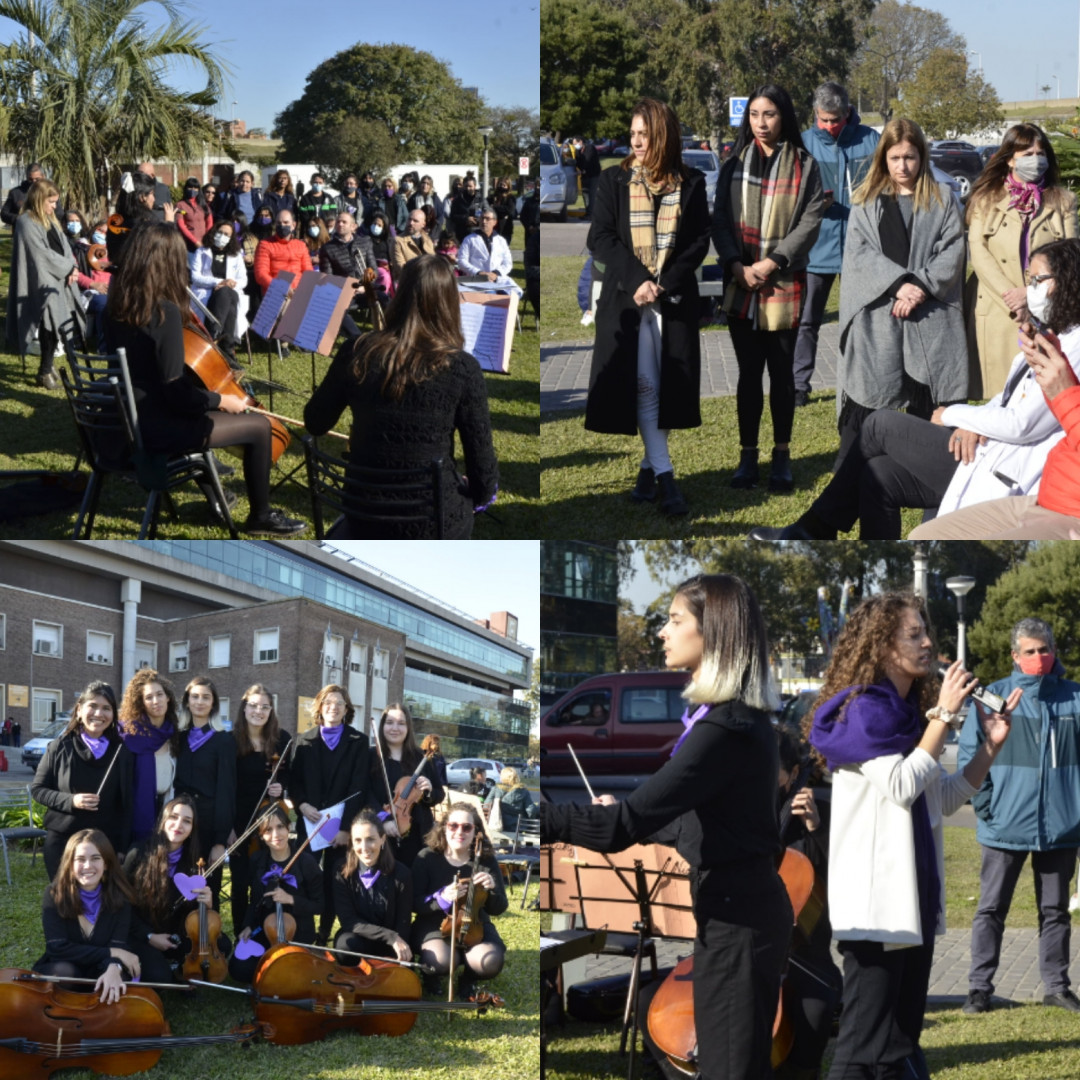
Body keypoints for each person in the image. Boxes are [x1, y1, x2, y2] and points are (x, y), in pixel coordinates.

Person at [542, 574, 793, 1079]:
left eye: (676, 620)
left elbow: (623, 828)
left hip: (739, 924)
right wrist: (626, 813)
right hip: (733, 916)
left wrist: (543, 819)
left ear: (714, 633)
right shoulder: (737, 720)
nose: (662, 632)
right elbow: (692, 824)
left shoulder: (724, 729)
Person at [808, 593, 1018, 1077]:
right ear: (881, 647)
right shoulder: (864, 712)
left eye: (926, 631)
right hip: (876, 908)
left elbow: (940, 800)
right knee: (862, 1044)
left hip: (912, 904)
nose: (927, 642)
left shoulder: (905, 714)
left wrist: (989, 746)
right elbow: (902, 786)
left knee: (898, 1041)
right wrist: (943, 717)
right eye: (913, 634)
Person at [749, 238, 1080, 540]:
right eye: (1030, 278)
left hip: (1004, 467)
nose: (1029, 288)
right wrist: (970, 423)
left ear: (1067, 284)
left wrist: (951, 413)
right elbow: (1005, 400)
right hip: (983, 446)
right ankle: (875, 559)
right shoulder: (1053, 333)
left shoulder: (1074, 348)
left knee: (880, 424)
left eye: (1038, 280)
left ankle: (815, 528)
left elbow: (1021, 424)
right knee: (878, 476)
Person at [104, 222, 306, 535]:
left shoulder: (116, 304)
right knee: (259, 427)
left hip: (128, 422)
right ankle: (261, 516)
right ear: (170, 262)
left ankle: (217, 498)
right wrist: (221, 400)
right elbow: (177, 394)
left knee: (207, 411)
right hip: (157, 429)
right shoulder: (164, 312)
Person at [304, 254, 499, 539]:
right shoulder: (462, 368)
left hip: (362, 512)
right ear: (449, 302)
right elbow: (484, 479)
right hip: (432, 520)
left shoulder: (357, 350)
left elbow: (315, 421)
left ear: (400, 294)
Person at [586, 97, 711, 516]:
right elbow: (601, 238)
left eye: (645, 134)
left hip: (672, 303)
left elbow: (697, 242)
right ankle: (667, 478)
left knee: (668, 390)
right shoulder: (612, 182)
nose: (637, 142)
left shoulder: (692, 181)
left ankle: (646, 472)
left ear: (663, 136)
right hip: (626, 303)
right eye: (633, 133)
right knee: (644, 388)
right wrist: (637, 280)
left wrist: (663, 283)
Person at [956, 618, 1080, 1014]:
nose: (1039, 657)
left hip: (1061, 828)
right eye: (1030, 651)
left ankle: (1057, 986)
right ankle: (979, 988)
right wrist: (986, 807)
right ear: (1015, 656)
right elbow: (969, 755)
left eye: (1045, 650)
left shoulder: (1075, 699)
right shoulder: (993, 697)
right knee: (991, 909)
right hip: (1002, 826)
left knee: (1055, 911)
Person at [833, 117, 967, 471]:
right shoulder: (867, 201)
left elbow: (952, 250)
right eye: (894, 158)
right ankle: (853, 470)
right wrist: (897, 285)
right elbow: (859, 254)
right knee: (867, 394)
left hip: (929, 317)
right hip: (879, 315)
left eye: (909, 157)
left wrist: (920, 287)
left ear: (921, 157)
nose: (902, 166)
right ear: (883, 159)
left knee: (929, 396)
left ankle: (929, 471)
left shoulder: (942, 199)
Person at [713, 84, 825, 492]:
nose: (762, 123)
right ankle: (747, 457)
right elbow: (720, 221)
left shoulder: (806, 165)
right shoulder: (733, 164)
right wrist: (736, 265)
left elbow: (810, 222)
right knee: (747, 376)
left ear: (785, 118)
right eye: (755, 115)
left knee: (781, 375)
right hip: (741, 284)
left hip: (783, 284)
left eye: (770, 115)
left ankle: (781, 456)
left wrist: (771, 262)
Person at [909, 319, 1080, 538]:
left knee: (881, 427)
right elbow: (1014, 401)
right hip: (1046, 497)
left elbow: (1025, 423)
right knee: (921, 533)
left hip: (1069, 513)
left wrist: (1063, 391)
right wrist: (1049, 366)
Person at [966, 123, 1078, 399]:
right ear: (1010, 158)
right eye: (1027, 153)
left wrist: (1030, 295)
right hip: (998, 309)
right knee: (997, 395)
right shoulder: (985, 199)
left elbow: (1070, 259)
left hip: (1046, 310)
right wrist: (1012, 296)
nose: (1035, 160)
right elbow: (979, 252)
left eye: (1040, 153)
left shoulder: (1063, 201)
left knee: (1039, 397)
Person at [793, 82, 881, 407]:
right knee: (807, 322)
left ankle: (862, 384)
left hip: (861, 251)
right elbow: (789, 199)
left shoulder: (872, 142)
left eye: (835, 120)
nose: (829, 127)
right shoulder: (801, 144)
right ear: (815, 113)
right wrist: (816, 204)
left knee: (862, 322)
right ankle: (799, 386)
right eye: (823, 120)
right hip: (815, 251)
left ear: (847, 112)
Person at [774, 726, 841, 1080]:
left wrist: (815, 827)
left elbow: (844, 875)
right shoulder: (746, 811)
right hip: (749, 956)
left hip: (808, 957)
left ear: (794, 773)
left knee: (814, 1009)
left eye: (772, 770)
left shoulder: (820, 811)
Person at [287, 684, 371, 945]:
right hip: (309, 822)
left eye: (339, 703)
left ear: (347, 709)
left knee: (335, 878)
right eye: (328, 702)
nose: (333, 707)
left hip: (341, 827)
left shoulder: (358, 742)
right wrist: (301, 805)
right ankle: (305, 932)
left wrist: (346, 828)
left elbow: (359, 788)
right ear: (319, 707)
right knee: (307, 877)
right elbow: (294, 781)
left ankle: (324, 934)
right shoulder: (302, 740)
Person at [32, 681, 134, 881]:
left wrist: (122, 846)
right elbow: (38, 789)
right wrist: (71, 801)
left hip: (105, 843)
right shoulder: (59, 747)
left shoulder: (122, 752)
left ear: (113, 715)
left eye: (106, 708)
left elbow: (126, 804)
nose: (99, 713)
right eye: (93, 706)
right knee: (66, 904)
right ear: (79, 710)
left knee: (101, 904)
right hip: (62, 842)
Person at [124, 794, 229, 984]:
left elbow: (196, 918)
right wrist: (148, 936)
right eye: (174, 817)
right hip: (143, 933)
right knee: (159, 977)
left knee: (222, 945)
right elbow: (120, 904)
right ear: (163, 820)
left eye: (186, 821)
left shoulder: (196, 861)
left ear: (192, 828)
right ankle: (168, 966)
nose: (179, 825)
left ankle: (177, 963)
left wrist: (207, 905)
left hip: (176, 934)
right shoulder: (138, 852)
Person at [34, 830, 140, 1003]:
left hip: (101, 967)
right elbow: (58, 949)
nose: (88, 866)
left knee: (118, 981)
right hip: (65, 967)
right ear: (70, 863)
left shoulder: (121, 897)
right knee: (65, 974)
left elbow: (118, 944)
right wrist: (113, 952)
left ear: (106, 863)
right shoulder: (54, 894)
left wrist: (115, 967)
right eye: (80, 859)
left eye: (96, 858)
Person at [412, 803, 506, 993]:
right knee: (441, 961)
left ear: (476, 832)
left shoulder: (485, 861)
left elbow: (498, 908)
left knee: (490, 961)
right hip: (434, 923)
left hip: (475, 924)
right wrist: (442, 899)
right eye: (453, 825)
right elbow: (414, 903)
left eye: (467, 827)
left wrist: (493, 887)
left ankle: (468, 979)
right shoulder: (427, 857)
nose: (459, 831)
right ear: (444, 827)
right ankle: (432, 978)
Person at [228, 805, 322, 983]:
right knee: (239, 969)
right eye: (268, 830)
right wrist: (248, 925)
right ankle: (268, 968)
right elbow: (254, 900)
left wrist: (290, 899)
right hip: (265, 928)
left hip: (298, 932)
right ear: (261, 836)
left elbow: (319, 905)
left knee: (296, 977)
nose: (275, 835)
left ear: (288, 827)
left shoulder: (305, 862)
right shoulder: (257, 860)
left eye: (280, 827)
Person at [5, 179, 85, 388]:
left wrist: (72, 267)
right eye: (51, 202)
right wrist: (68, 267)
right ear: (39, 200)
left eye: (56, 202)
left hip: (58, 279)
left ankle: (47, 368)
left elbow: (64, 246)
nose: (55, 207)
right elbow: (40, 255)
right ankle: (44, 371)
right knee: (48, 325)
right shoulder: (26, 222)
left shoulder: (50, 219)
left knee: (57, 325)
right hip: (40, 281)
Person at [227, 684, 291, 939]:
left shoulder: (281, 740)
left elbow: (288, 775)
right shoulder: (230, 741)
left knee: (267, 881)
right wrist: (228, 827)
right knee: (241, 884)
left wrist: (280, 786)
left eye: (265, 706)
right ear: (244, 708)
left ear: (271, 710)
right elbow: (227, 787)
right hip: (239, 821)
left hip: (269, 821)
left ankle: (266, 934)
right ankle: (240, 936)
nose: (259, 711)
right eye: (253, 705)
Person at [174, 677, 236, 899]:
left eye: (206, 697)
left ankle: (207, 932)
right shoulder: (177, 738)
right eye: (195, 696)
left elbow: (226, 790)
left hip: (209, 824)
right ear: (187, 702)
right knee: (178, 885)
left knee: (207, 888)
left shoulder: (224, 741)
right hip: (179, 823)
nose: (200, 702)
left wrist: (220, 841)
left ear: (214, 704)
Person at [332, 811, 413, 964]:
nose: (364, 847)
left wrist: (398, 944)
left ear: (382, 839)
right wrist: (389, 935)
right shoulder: (340, 870)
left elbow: (403, 920)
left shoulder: (402, 873)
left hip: (391, 942)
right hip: (359, 938)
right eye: (358, 840)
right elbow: (349, 921)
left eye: (370, 839)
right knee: (345, 946)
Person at [369, 704, 443, 868]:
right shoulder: (371, 756)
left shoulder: (421, 757)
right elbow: (366, 794)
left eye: (401, 723)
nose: (395, 728)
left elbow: (439, 794)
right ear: (382, 726)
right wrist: (385, 819)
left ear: (408, 727)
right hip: (380, 830)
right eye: (390, 722)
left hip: (418, 832)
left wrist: (429, 791)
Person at [117, 669, 181, 845]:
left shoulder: (174, 733)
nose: (156, 701)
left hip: (168, 814)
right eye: (149, 697)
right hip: (135, 817)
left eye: (160, 694)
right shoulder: (128, 734)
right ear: (141, 703)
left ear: (168, 697)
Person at [189, 220, 248, 363]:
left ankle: (214, 335)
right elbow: (195, 277)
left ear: (231, 238)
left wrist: (230, 284)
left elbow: (243, 280)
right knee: (227, 295)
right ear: (213, 232)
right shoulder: (202, 251)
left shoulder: (236, 255)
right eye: (220, 232)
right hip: (206, 293)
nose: (222, 236)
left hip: (229, 294)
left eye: (227, 234)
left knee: (227, 292)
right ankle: (227, 350)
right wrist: (218, 282)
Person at [320, 211, 381, 338]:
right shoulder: (327, 248)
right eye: (338, 222)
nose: (340, 224)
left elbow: (373, 269)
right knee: (336, 309)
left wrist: (363, 286)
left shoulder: (364, 242)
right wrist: (349, 288)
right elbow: (329, 279)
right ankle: (357, 339)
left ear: (353, 226)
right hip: (343, 292)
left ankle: (389, 334)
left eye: (344, 222)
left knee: (386, 300)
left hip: (365, 288)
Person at [457, 209, 520, 295]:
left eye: (487, 219)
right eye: (482, 218)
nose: (484, 221)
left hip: (499, 279)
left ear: (495, 222)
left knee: (515, 294)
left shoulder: (501, 240)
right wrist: (478, 272)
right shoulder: (469, 239)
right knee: (491, 294)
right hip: (476, 280)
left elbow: (508, 263)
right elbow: (461, 260)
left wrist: (496, 273)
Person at [253, 208, 313, 296]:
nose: (282, 225)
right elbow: (261, 274)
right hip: (276, 293)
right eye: (279, 223)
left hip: (299, 292)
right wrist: (279, 287)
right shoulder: (265, 245)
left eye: (286, 223)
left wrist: (303, 289)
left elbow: (308, 271)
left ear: (293, 225)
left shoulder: (301, 245)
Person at [483, 767, 536, 834]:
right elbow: (531, 810)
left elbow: (486, 807)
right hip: (519, 827)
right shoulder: (523, 791)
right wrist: (530, 824)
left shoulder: (496, 789)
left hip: (498, 825)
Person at [392, 208, 438, 281]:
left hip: (429, 280)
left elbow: (433, 261)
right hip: (408, 282)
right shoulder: (398, 241)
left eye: (415, 221)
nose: (411, 223)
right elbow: (400, 266)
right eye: (409, 219)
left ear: (423, 224)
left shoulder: (427, 240)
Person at [175, 177, 214, 253]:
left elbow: (209, 223)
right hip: (188, 244)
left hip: (204, 243)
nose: (193, 190)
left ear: (199, 190)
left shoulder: (204, 205)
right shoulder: (180, 205)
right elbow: (181, 226)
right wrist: (195, 241)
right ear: (186, 188)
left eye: (195, 188)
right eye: (190, 187)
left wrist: (206, 239)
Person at [450, 174, 486, 242]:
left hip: (478, 234)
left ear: (475, 186)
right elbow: (453, 216)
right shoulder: (457, 200)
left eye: (470, 186)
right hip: (461, 234)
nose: (468, 188)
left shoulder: (481, 200)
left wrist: (477, 220)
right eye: (466, 186)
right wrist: (466, 218)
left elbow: (487, 213)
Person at [408, 175, 445, 240]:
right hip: (417, 229)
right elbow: (409, 213)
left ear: (431, 186)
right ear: (420, 184)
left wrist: (434, 226)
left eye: (428, 184)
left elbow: (441, 215)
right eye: (423, 183)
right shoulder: (413, 198)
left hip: (432, 231)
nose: (425, 186)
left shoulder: (435, 198)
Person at [575, 139, 603, 222]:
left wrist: (583, 169)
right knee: (585, 194)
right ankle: (588, 213)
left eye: (575, 144)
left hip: (593, 175)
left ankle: (592, 215)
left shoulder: (590, 148)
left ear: (580, 141)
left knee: (592, 195)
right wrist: (577, 152)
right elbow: (578, 161)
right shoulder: (579, 151)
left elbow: (588, 159)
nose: (575, 146)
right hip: (585, 176)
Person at [490, 176, 516, 244]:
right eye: (500, 184)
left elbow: (509, 210)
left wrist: (495, 207)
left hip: (505, 229)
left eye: (504, 185)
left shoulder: (510, 198)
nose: (501, 187)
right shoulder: (492, 197)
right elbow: (487, 207)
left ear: (508, 186)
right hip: (493, 228)